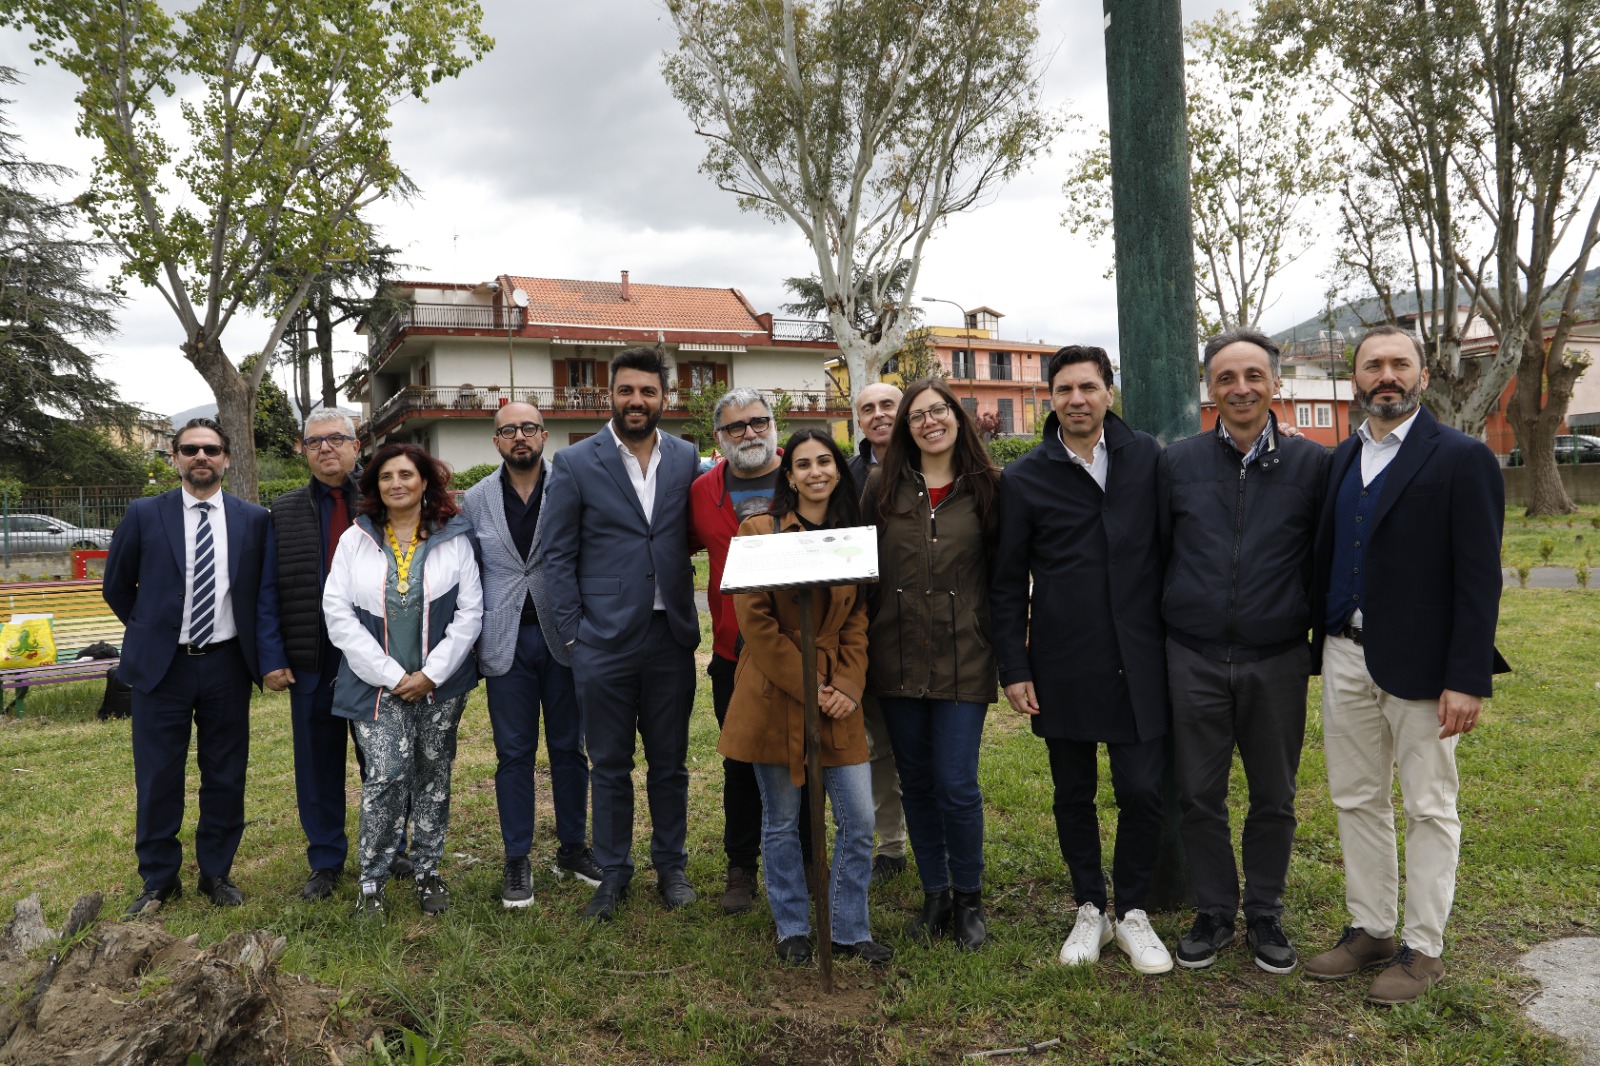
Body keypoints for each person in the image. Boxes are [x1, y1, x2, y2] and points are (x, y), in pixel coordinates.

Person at [1304, 325, 1508, 1004]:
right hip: (1343, 653)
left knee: (1428, 805)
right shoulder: (1340, 459)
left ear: (1423, 373)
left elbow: (1479, 578)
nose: (1385, 375)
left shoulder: (1461, 458)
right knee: (1356, 797)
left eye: (1399, 364)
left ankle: (1423, 949)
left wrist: (1467, 676)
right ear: (1355, 377)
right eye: (1372, 366)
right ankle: (1371, 929)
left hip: (1426, 665)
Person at [991, 346, 1173, 975]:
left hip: (1142, 657)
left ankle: (1134, 913)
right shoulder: (1025, 478)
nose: (1076, 399)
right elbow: (1008, 581)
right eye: (1064, 389)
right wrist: (1014, 667)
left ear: (1108, 392)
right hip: (1063, 660)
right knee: (1074, 792)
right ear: (1050, 398)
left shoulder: (1147, 458)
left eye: (1088, 387)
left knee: (1144, 791)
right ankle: (1090, 906)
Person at [1158, 328, 1330, 974]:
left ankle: (1264, 912)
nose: (1240, 388)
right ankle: (1213, 911)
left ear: (1275, 384)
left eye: (1253, 376)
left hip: (1277, 656)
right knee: (1199, 794)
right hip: (1194, 656)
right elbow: (1158, 556)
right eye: (1226, 377)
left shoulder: (1314, 465)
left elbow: (1324, 558)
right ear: (1210, 388)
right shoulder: (1177, 464)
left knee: (1274, 795)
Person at [105, 417, 290, 917]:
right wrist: (152, 631)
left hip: (227, 665)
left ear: (227, 458)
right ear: (175, 458)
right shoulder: (145, 513)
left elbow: (262, 594)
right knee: (158, 775)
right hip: (162, 670)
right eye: (190, 450)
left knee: (225, 774)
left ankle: (216, 872)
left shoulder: (254, 519)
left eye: (211, 449)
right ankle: (159, 880)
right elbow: (116, 587)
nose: (201, 457)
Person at [721, 429, 892, 967]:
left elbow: (859, 619)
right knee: (781, 820)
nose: (815, 471)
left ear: (838, 470)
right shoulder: (758, 530)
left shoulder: (852, 533)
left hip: (838, 696)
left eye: (825, 461)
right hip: (774, 693)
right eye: (803, 464)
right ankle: (792, 925)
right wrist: (809, 686)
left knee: (859, 820)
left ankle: (847, 927)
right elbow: (757, 624)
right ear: (788, 475)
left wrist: (846, 686)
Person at [543, 346, 701, 920]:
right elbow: (555, 556)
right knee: (608, 763)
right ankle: (612, 873)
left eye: (649, 392)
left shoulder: (687, 457)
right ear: (609, 394)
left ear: (665, 397)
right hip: (601, 641)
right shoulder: (576, 462)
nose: (638, 401)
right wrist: (572, 638)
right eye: (627, 391)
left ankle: (671, 867)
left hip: (670, 635)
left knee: (670, 762)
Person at [861, 378, 1000, 951]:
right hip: (894, 657)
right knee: (915, 782)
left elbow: (1005, 579)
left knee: (956, 783)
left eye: (937, 410)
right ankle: (935, 892)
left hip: (964, 658)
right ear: (905, 428)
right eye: (916, 416)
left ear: (956, 417)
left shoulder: (990, 488)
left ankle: (969, 899)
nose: (928, 422)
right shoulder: (881, 488)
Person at [323, 443, 483, 918]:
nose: (397, 483)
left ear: (425, 482)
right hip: (376, 686)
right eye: (387, 476)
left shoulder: (454, 537)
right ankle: (371, 880)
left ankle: (428, 870)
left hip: (440, 684)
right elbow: (338, 614)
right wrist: (395, 677)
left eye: (406, 475)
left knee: (434, 776)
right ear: (375, 486)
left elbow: (471, 611)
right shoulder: (356, 539)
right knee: (388, 775)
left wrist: (431, 674)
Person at [462, 402, 602, 908]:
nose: (518, 437)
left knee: (570, 748)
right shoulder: (474, 500)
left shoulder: (570, 485)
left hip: (563, 636)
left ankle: (573, 847)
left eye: (527, 428)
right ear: (495, 441)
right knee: (513, 754)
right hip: (504, 643)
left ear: (544, 435)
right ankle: (516, 857)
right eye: (507, 431)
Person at [268, 410, 405, 902]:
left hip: (377, 654)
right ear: (303, 451)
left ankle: (393, 848)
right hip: (313, 656)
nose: (326, 448)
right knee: (317, 762)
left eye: (337, 439)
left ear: (357, 445)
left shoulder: (384, 501)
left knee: (383, 757)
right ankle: (325, 859)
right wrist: (271, 656)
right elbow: (269, 590)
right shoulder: (282, 512)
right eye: (314, 442)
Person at [689, 387, 812, 914]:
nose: (749, 434)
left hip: (805, 648)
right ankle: (741, 868)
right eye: (736, 427)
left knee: (804, 758)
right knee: (740, 760)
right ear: (719, 438)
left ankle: (810, 861)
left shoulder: (807, 473)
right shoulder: (701, 491)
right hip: (733, 654)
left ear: (774, 425)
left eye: (758, 422)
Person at [844, 381, 909, 887]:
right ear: (858, 420)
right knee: (879, 745)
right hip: (868, 628)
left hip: (927, 629)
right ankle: (891, 844)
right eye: (868, 408)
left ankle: (937, 839)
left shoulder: (933, 462)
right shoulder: (846, 476)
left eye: (889, 404)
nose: (880, 414)